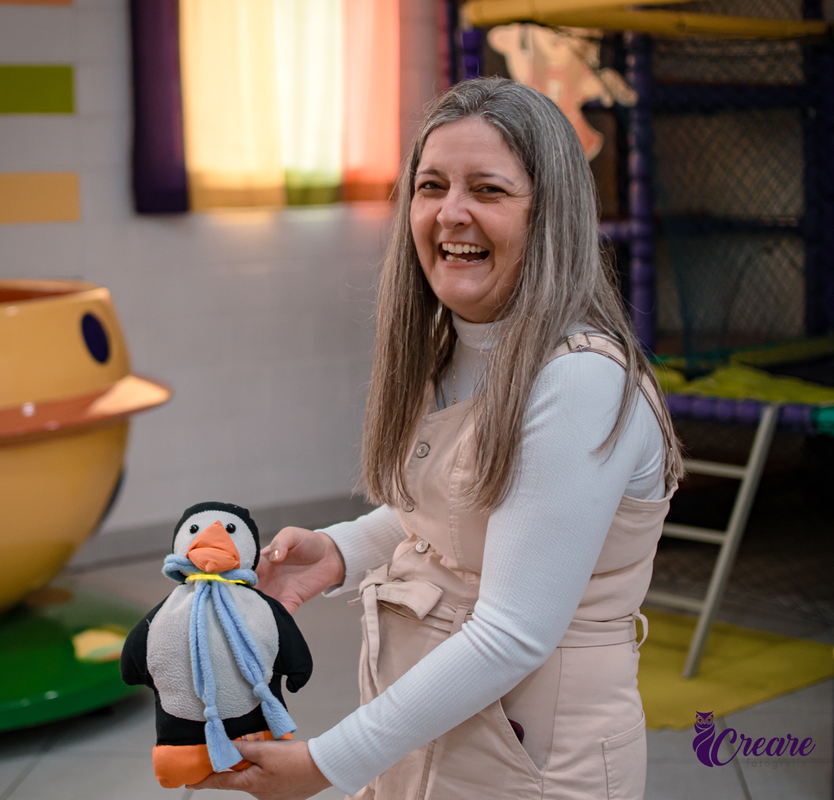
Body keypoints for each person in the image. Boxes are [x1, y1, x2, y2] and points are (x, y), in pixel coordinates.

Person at [191, 77, 683, 800]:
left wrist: (329, 763)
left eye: (487, 189)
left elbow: (514, 631)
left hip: (536, 768)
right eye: (431, 185)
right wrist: (340, 551)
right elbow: (464, 509)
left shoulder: (579, 381)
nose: (451, 213)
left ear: (551, 215)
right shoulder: (448, 347)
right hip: (430, 753)